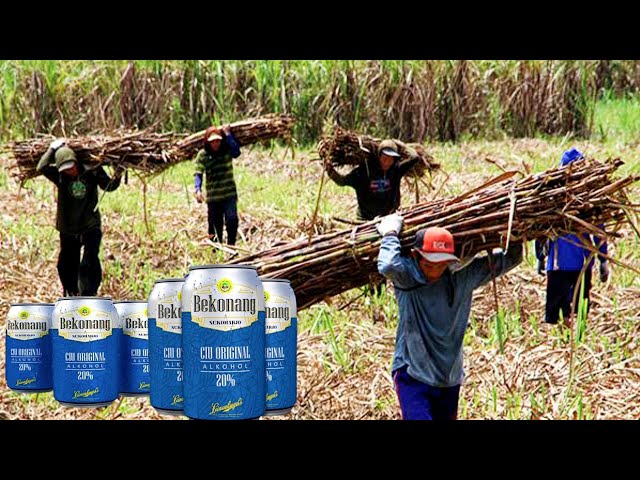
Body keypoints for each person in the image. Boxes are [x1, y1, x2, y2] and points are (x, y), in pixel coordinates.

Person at [376, 214, 523, 420]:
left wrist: (514, 227)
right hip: (413, 374)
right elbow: (387, 265)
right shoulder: (408, 278)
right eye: (429, 264)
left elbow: (512, 258)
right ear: (415, 256)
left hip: (449, 378)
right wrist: (391, 233)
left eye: (441, 264)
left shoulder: (464, 276)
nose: (435, 270)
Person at [36, 139, 123, 297]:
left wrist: (118, 174)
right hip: (68, 226)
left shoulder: (92, 171)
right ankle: (71, 292)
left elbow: (109, 187)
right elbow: (41, 167)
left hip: (90, 224)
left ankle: (88, 294)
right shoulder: (60, 177)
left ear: (76, 161)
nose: (70, 171)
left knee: (90, 260)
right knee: (67, 263)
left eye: (71, 167)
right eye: (66, 169)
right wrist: (51, 149)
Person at [534, 147, 610, 325]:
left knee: (561, 313)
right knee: (576, 310)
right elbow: (599, 231)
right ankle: (572, 342)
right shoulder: (587, 198)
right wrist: (603, 259)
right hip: (578, 263)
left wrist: (540, 257)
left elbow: (540, 229)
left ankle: (571, 342)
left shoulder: (553, 197)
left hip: (560, 264)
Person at [324, 139, 420, 221]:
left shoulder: (396, 170)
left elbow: (415, 157)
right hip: (365, 220)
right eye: (384, 158)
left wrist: (401, 145)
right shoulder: (364, 171)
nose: (387, 162)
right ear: (379, 156)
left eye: (391, 159)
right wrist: (330, 170)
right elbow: (342, 181)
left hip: (389, 218)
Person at [194, 125, 241, 246]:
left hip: (229, 194)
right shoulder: (203, 155)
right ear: (208, 142)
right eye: (213, 142)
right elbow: (198, 173)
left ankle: (231, 247)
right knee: (215, 227)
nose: (216, 144)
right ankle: (216, 251)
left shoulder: (227, 150)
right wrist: (198, 189)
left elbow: (237, 152)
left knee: (232, 220)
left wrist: (228, 135)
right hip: (214, 197)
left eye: (218, 141)